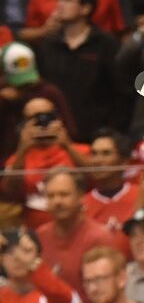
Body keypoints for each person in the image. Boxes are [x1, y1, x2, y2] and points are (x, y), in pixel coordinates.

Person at [33, 0, 124, 141]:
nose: (60, 4)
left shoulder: (106, 44)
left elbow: (119, 91)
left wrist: (112, 129)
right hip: (55, 133)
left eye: (67, 0)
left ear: (85, 8)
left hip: (96, 133)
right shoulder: (48, 44)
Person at [2, 96, 89, 228]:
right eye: (34, 118)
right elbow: (9, 191)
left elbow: (96, 178)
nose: (42, 123)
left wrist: (67, 145)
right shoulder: (16, 159)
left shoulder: (80, 150)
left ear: (58, 119)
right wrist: (22, 149)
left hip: (79, 222)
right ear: (24, 123)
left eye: (47, 117)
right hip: (35, 225)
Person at [36, 169, 122, 293]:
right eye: (51, 196)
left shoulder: (99, 237)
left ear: (81, 196)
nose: (57, 202)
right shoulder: (40, 235)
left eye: (64, 195)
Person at [83, 128, 139, 237]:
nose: (97, 160)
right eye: (94, 154)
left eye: (106, 153)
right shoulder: (81, 205)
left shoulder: (141, 196)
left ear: (124, 161)